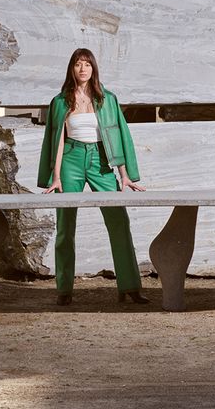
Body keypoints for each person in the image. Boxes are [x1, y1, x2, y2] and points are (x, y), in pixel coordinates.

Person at [38, 48, 149, 306]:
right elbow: (57, 141)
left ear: (93, 68)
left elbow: (117, 137)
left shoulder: (107, 99)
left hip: (100, 161)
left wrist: (124, 175)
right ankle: (64, 290)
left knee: (119, 221)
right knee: (66, 226)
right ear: (72, 69)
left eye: (87, 64)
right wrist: (56, 177)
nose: (83, 69)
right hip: (71, 160)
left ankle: (130, 287)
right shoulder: (60, 101)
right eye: (78, 64)